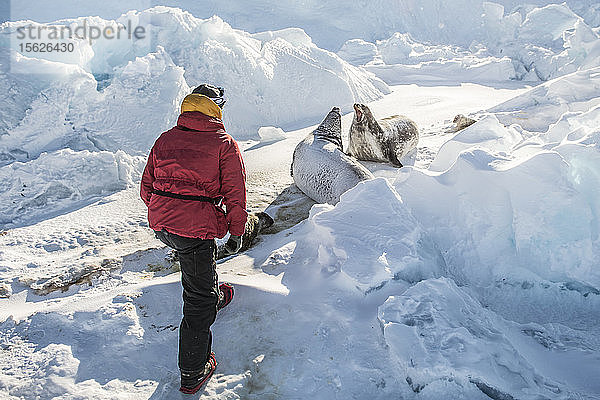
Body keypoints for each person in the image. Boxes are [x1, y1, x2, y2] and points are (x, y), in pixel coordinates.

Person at [140, 84, 247, 394]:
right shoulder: (224, 144)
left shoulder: (165, 140)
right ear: (215, 110)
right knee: (197, 299)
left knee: (195, 264)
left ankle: (212, 294)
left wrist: (168, 213)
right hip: (193, 229)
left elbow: (146, 188)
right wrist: (236, 231)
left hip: (162, 225)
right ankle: (193, 370)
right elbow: (235, 196)